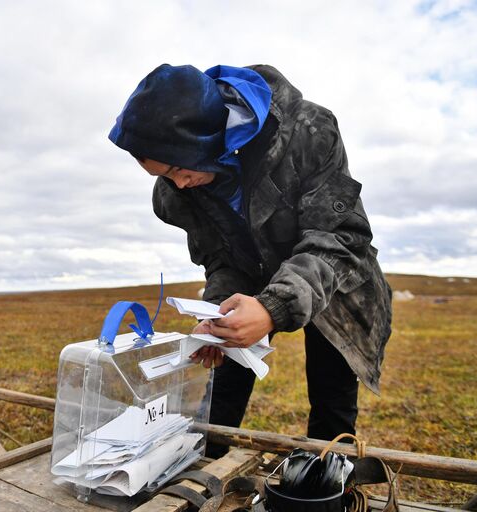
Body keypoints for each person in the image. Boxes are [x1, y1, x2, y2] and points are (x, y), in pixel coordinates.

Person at [108, 64, 392, 456]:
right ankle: (200, 477)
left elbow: (339, 237)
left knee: (332, 405)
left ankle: (324, 487)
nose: (179, 184)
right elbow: (223, 258)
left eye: (177, 169)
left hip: (336, 285)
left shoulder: (307, 132)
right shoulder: (178, 192)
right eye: (163, 176)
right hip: (254, 287)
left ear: (207, 136)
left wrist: (273, 307)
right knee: (221, 390)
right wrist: (215, 315)